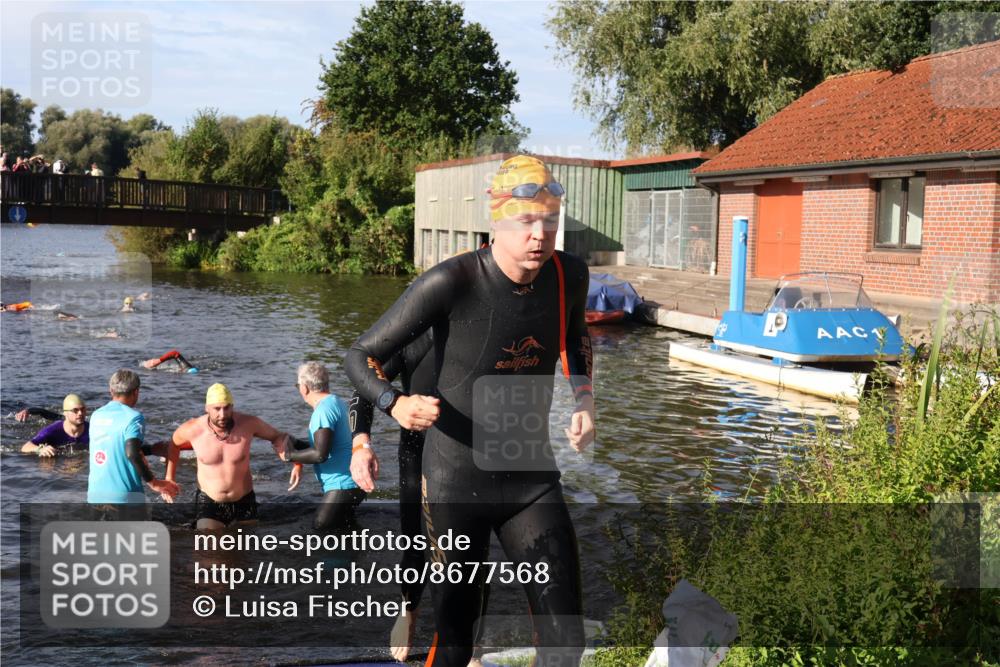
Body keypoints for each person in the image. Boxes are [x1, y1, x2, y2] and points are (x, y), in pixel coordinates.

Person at [345, 155, 595, 667]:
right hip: (455, 481)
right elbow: (358, 357)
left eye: (550, 220)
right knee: (457, 643)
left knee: (566, 637)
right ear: (495, 220)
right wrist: (394, 405)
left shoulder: (569, 273)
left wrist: (585, 398)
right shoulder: (450, 282)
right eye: (526, 222)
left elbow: (576, 333)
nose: (539, 235)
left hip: (531, 478)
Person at [348, 331, 434, 661]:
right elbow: (362, 390)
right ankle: (409, 609)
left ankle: (465, 640)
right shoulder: (415, 334)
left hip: (469, 456)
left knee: (469, 549)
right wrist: (361, 446)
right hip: (418, 453)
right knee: (415, 541)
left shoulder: (483, 321)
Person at [165, 383, 292, 530]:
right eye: (217, 409)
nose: (222, 414)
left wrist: (291, 458)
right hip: (209, 500)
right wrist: (170, 477)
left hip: (244, 499)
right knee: (209, 547)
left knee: (246, 547)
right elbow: (173, 444)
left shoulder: (249, 424)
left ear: (232, 406)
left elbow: (278, 436)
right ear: (207, 408)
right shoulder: (193, 429)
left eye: (226, 408)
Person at [281, 361, 366, 531]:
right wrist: (297, 444)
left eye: (298, 385)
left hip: (342, 485)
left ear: (304, 388)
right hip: (354, 483)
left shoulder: (322, 412)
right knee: (344, 531)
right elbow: (327, 445)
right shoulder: (336, 402)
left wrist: (290, 454)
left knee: (322, 528)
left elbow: (320, 454)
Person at [87, 369, 178, 504]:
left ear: (111, 390)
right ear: (136, 392)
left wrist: (151, 449)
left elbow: (114, 446)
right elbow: (132, 453)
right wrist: (154, 483)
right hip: (125, 498)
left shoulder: (96, 415)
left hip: (95, 495)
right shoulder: (134, 418)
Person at [19, 394, 90, 457]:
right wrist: (40, 449)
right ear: (65, 413)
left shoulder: (93, 429)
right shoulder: (52, 431)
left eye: (83, 409)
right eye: (75, 410)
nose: (80, 413)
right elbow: (25, 447)